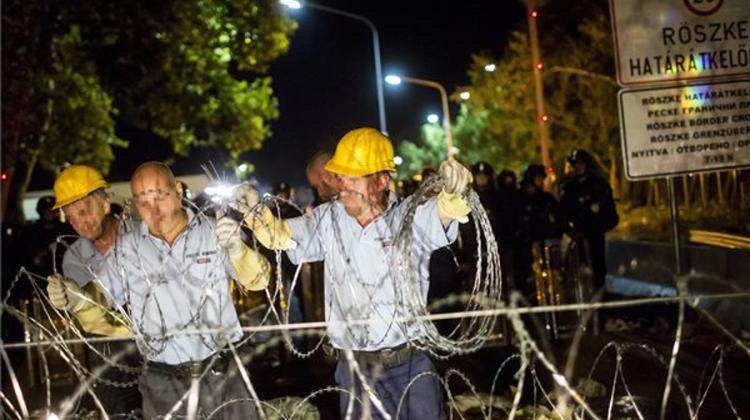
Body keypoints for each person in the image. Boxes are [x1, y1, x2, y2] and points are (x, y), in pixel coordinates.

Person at [232, 128, 473, 419]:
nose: (343, 185)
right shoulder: (328, 218)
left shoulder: (410, 216)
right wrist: (258, 216)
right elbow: (282, 236)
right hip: (356, 369)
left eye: (353, 178)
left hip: (409, 363)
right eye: (342, 176)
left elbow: (443, 213)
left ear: (382, 180)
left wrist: (454, 192)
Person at [47, 161, 271, 419]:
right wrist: (76, 299)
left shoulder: (213, 231)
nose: (152, 209)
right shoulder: (128, 249)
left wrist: (238, 251)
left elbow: (259, 281)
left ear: (177, 192)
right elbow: (99, 297)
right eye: (142, 201)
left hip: (221, 373)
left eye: (158, 197)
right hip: (163, 382)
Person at [44, 165, 143, 416]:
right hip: (112, 350)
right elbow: (94, 311)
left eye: (84, 211)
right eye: (72, 216)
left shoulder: (143, 233)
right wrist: (73, 299)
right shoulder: (75, 257)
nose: (80, 223)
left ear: (106, 205)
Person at [559, 149, 619, 294]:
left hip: (595, 235)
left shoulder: (599, 185)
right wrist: (571, 231)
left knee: (598, 269)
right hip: (577, 236)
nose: (578, 167)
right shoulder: (569, 188)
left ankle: (601, 299)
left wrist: (599, 227)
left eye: (580, 164)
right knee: (577, 270)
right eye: (575, 164)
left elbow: (610, 214)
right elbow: (563, 213)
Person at [514, 164, 562, 301]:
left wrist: (553, 234)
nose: (541, 181)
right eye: (538, 178)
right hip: (524, 250)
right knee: (527, 285)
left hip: (544, 248)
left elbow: (560, 219)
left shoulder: (546, 199)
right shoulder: (519, 199)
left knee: (549, 283)